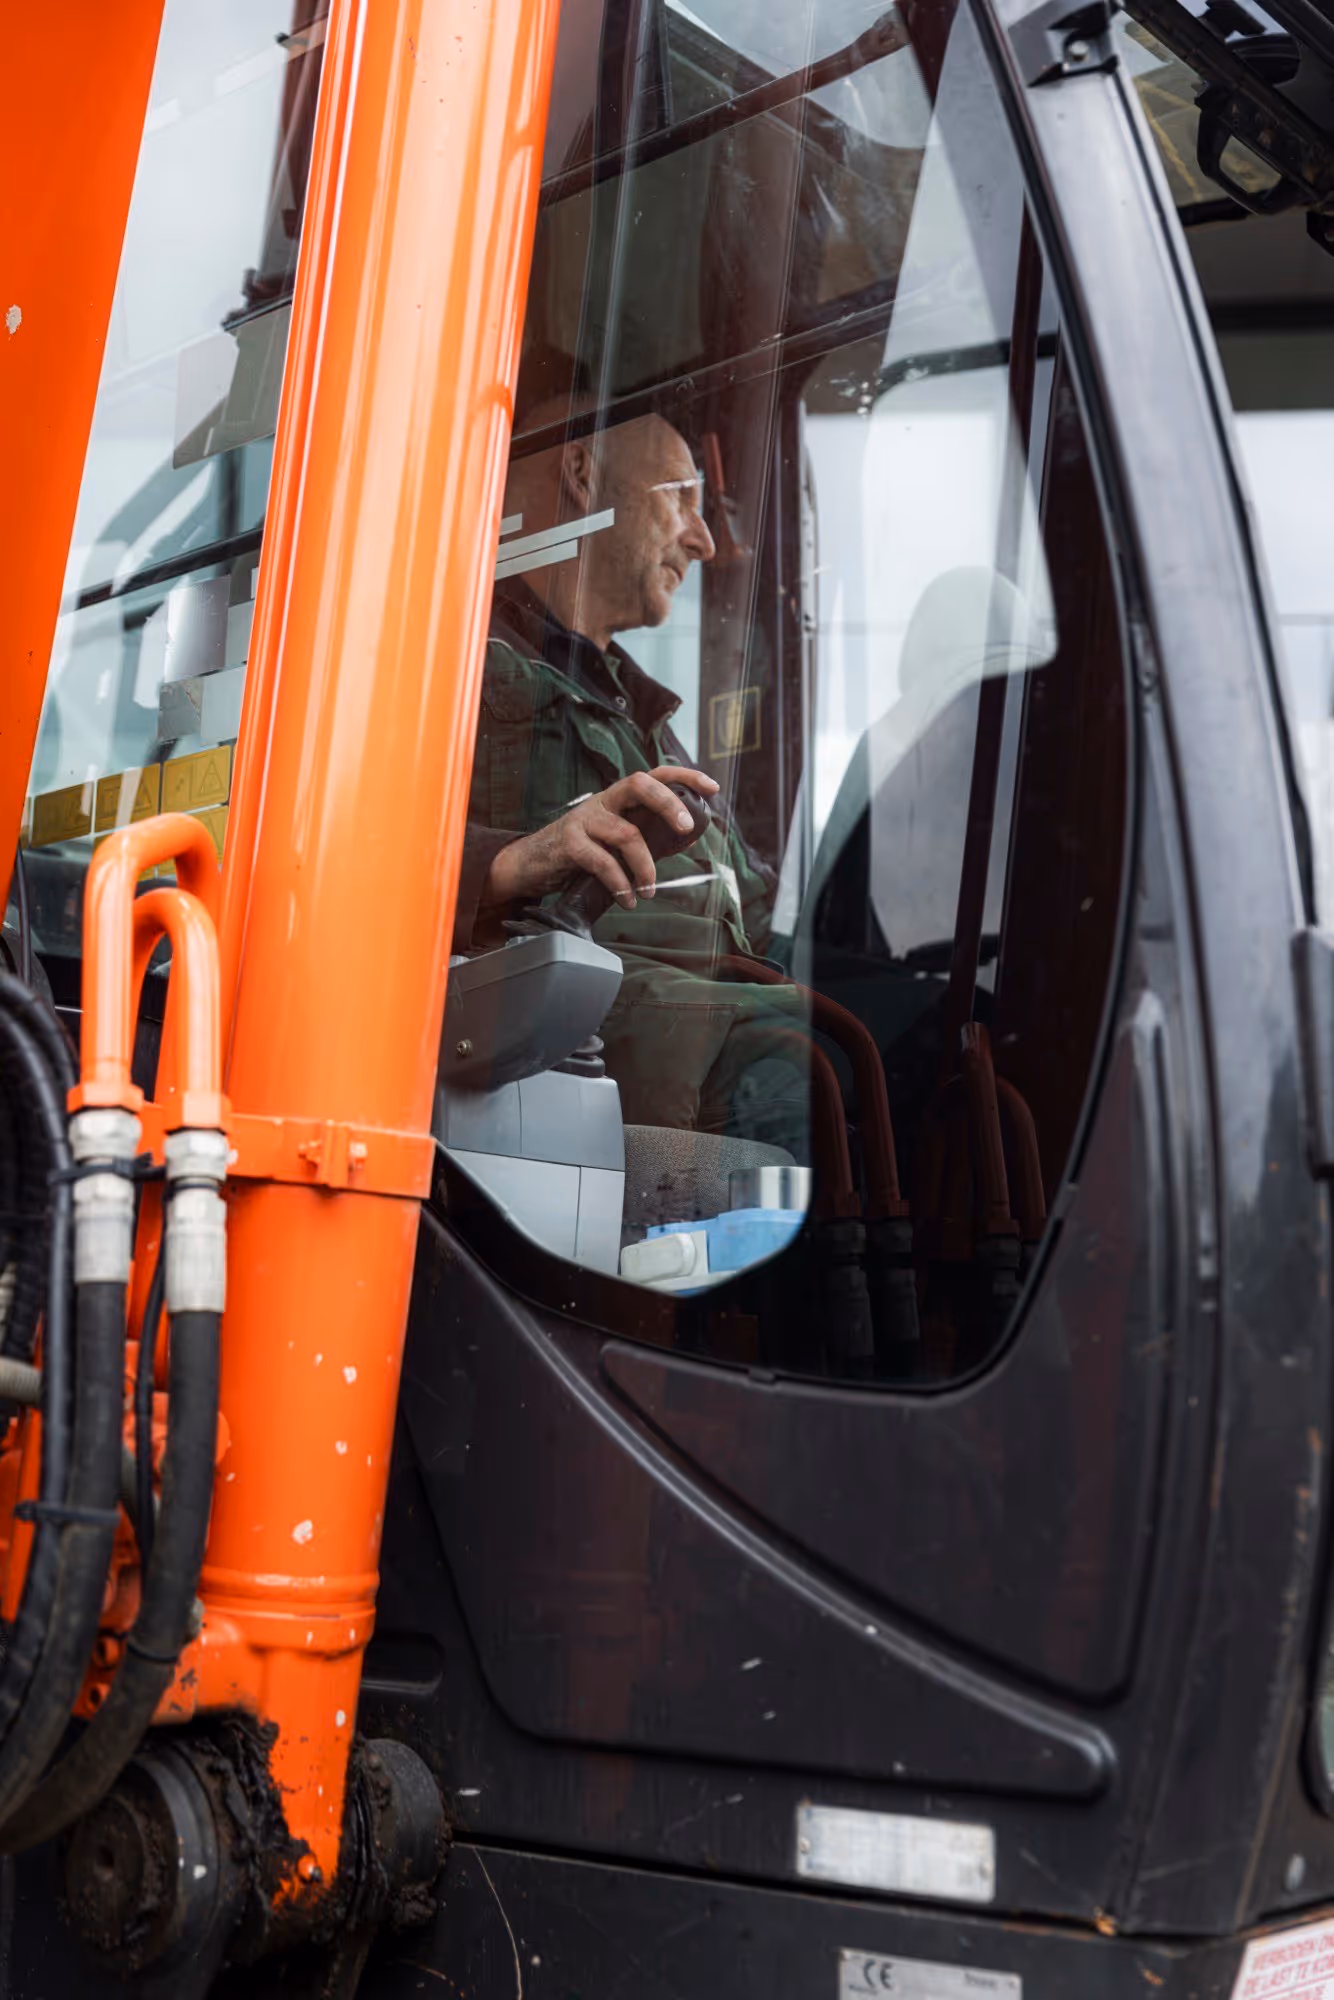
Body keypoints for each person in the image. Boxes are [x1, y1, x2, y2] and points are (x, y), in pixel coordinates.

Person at [452, 401, 811, 1157]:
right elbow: (341, 850)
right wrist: (511, 861)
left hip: (717, 1006)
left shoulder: (642, 713)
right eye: (681, 496)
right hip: (563, 1032)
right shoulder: (450, 652)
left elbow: (760, 905)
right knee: (805, 1060)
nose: (704, 540)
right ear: (582, 473)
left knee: (937, 1024)